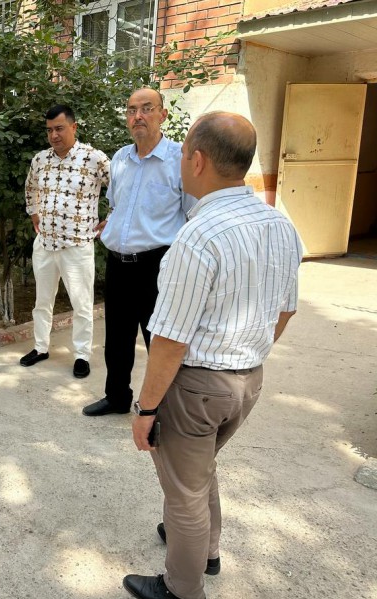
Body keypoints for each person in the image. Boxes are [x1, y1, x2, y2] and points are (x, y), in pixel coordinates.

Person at [122, 112, 302, 599]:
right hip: (248, 380)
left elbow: (170, 339)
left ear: (197, 160)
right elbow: (286, 309)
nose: (180, 161)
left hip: (197, 387)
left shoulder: (197, 236)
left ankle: (182, 588)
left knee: (183, 494)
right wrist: (246, 352)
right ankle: (207, 551)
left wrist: (146, 409)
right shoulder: (280, 224)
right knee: (198, 471)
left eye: (183, 153)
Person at [83, 88, 195, 416]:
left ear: (163, 114)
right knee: (117, 337)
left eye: (147, 108)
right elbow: (116, 205)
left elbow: (192, 214)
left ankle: (165, 408)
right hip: (118, 263)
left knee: (158, 339)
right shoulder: (120, 158)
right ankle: (117, 397)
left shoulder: (179, 160)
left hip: (156, 265)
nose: (138, 116)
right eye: (132, 110)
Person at [20, 104, 110, 378]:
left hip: (76, 245)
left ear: (73, 127)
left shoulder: (94, 158)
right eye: (49, 130)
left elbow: (120, 188)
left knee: (81, 304)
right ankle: (40, 347)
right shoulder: (40, 159)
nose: (54, 135)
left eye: (59, 129)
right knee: (42, 301)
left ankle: (82, 354)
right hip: (45, 243)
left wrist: (113, 217)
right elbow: (30, 187)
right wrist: (33, 212)